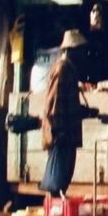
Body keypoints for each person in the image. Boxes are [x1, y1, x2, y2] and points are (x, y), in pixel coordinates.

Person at [40, 29, 90, 196]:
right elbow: (54, 103)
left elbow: (68, 103)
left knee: (61, 180)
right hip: (61, 134)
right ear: (70, 51)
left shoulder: (69, 69)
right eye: (80, 51)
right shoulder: (62, 69)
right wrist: (58, 131)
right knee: (56, 182)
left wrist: (87, 112)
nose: (83, 55)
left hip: (66, 133)